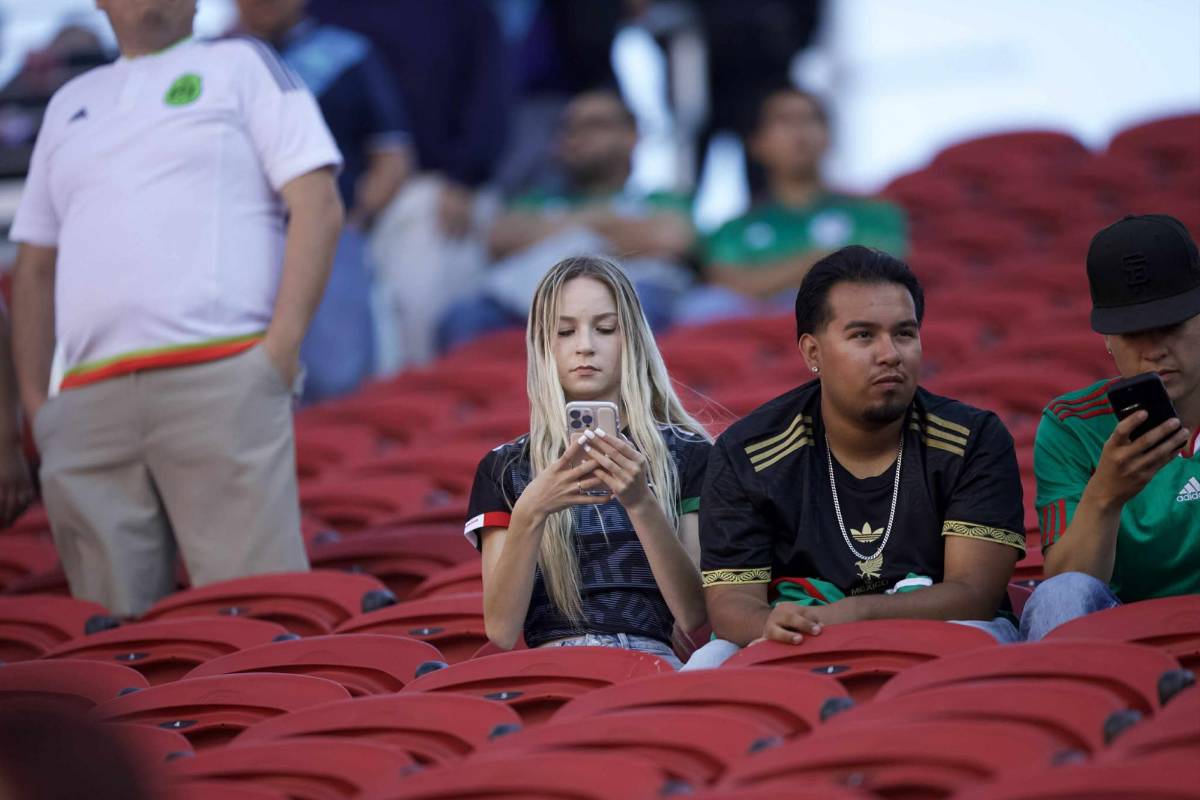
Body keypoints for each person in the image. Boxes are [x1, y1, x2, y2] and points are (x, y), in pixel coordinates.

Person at [10, 0, 344, 617]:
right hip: (86, 402)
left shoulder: (242, 61)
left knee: (261, 618)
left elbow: (318, 203)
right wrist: (42, 409)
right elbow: (33, 267)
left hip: (220, 376)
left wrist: (276, 355)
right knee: (109, 648)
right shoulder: (67, 102)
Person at [687, 246, 1025, 668]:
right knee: (709, 662)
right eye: (863, 335)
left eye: (904, 333)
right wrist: (771, 622)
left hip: (945, 632)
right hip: (799, 633)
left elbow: (974, 596)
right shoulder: (747, 454)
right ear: (812, 352)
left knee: (982, 637)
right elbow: (731, 604)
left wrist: (854, 614)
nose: (890, 354)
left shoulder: (974, 439)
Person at [464, 256, 711, 668]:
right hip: (550, 670)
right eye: (564, 331)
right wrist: (531, 509)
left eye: (604, 328)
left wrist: (641, 503)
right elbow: (502, 630)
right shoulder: (505, 468)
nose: (584, 346)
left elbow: (693, 613)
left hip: (648, 662)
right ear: (543, 345)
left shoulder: (688, 453)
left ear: (630, 337)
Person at [1023, 214, 1199, 641]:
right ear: (1106, 339)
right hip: (1119, 633)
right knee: (1058, 595)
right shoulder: (1071, 424)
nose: (1155, 349)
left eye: (1172, 325)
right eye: (1133, 332)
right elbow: (1067, 585)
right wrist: (1106, 494)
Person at [310, 0, 510, 370]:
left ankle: (428, 412)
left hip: (430, 187)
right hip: (325, 203)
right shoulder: (321, 10)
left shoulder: (464, 11)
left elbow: (490, 96)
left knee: (419, 316)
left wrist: (465, 176)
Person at [235, 0, 412, 401]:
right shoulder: (213, 61)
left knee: (337, 381)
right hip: (235, 247)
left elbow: (392, 157)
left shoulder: (349, 55)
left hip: (327, 239)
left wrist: (353, 220)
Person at [438, 88, 696, 351]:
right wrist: (607, 227)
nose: (577, 137)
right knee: (463, 316)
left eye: (594, 125)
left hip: (623, 301)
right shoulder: (535, 199)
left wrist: (558, 228)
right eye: (568, 128)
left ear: (631, 136)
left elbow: (671, 239)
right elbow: (499, 239)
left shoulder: (660, 199)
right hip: (524, 306)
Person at [678, 86, 907, 323]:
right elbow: (725, 283)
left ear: (828, 136)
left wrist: (768, 277)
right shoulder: (731, 231)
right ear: (756, 143)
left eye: (811, 119)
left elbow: (880, 279)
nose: (800, 131)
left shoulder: (875, 215)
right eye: (784, 121)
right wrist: (819, 261)